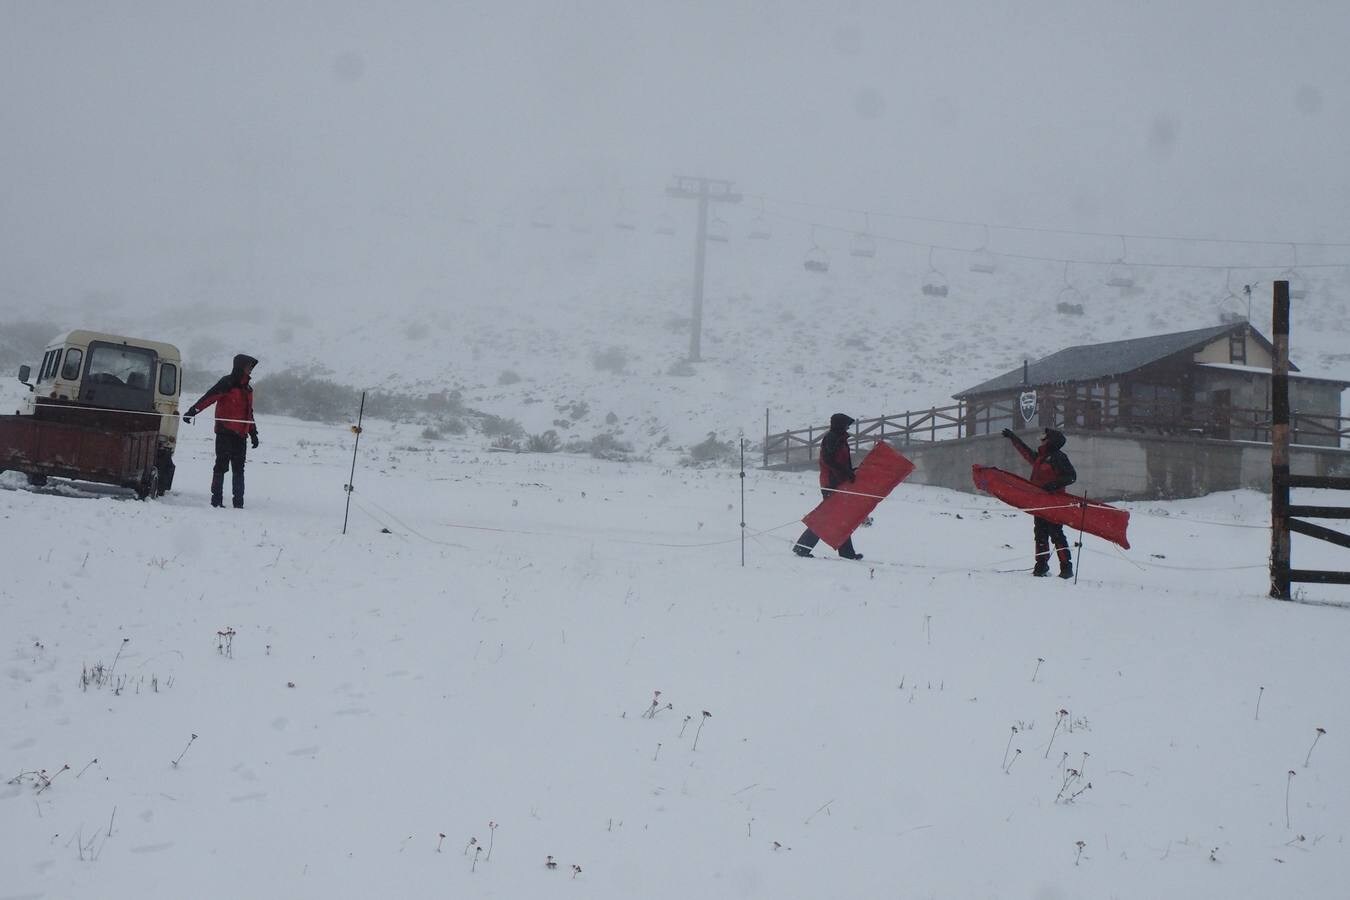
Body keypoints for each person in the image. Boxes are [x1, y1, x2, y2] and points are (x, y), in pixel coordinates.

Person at [184, 354, 260, 508]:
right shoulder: (227, 383)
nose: (250, 370)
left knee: (239, 469)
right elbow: (209, 398)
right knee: (221, 466)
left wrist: (253, 433)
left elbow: (248, 413)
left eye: (251, 367)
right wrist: (193, 411)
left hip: (241, 435)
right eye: (248, 366)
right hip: (225, 432)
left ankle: (238, 503)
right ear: (240, 366)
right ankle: (216, 501)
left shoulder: (248, 389)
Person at [1001, 427, 1076, 578]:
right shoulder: (1041, 458)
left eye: (1044, 437)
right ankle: (1041, 566)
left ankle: (1066, 568)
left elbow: (1071, 476)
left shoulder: (1058, 457)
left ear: (1051, 440)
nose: (1041, 440)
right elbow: (1026, 452)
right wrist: (1013, 438)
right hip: (1040, 503)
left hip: (1055, 503)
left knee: (1056, 534)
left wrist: (1053, 485)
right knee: (1040, 534)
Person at [793, 413, 863, 560]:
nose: (848, 427)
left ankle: (846, 552)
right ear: (839, 424)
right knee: (829, 517)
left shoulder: (840, 439)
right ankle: (802, 547)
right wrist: (845, 472)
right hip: (831, 483)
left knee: (839, 516)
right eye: (846, 424)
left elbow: (841, 461)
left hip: (838, 482)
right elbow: (828, 460)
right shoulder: (832, 438)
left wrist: (850, 471)